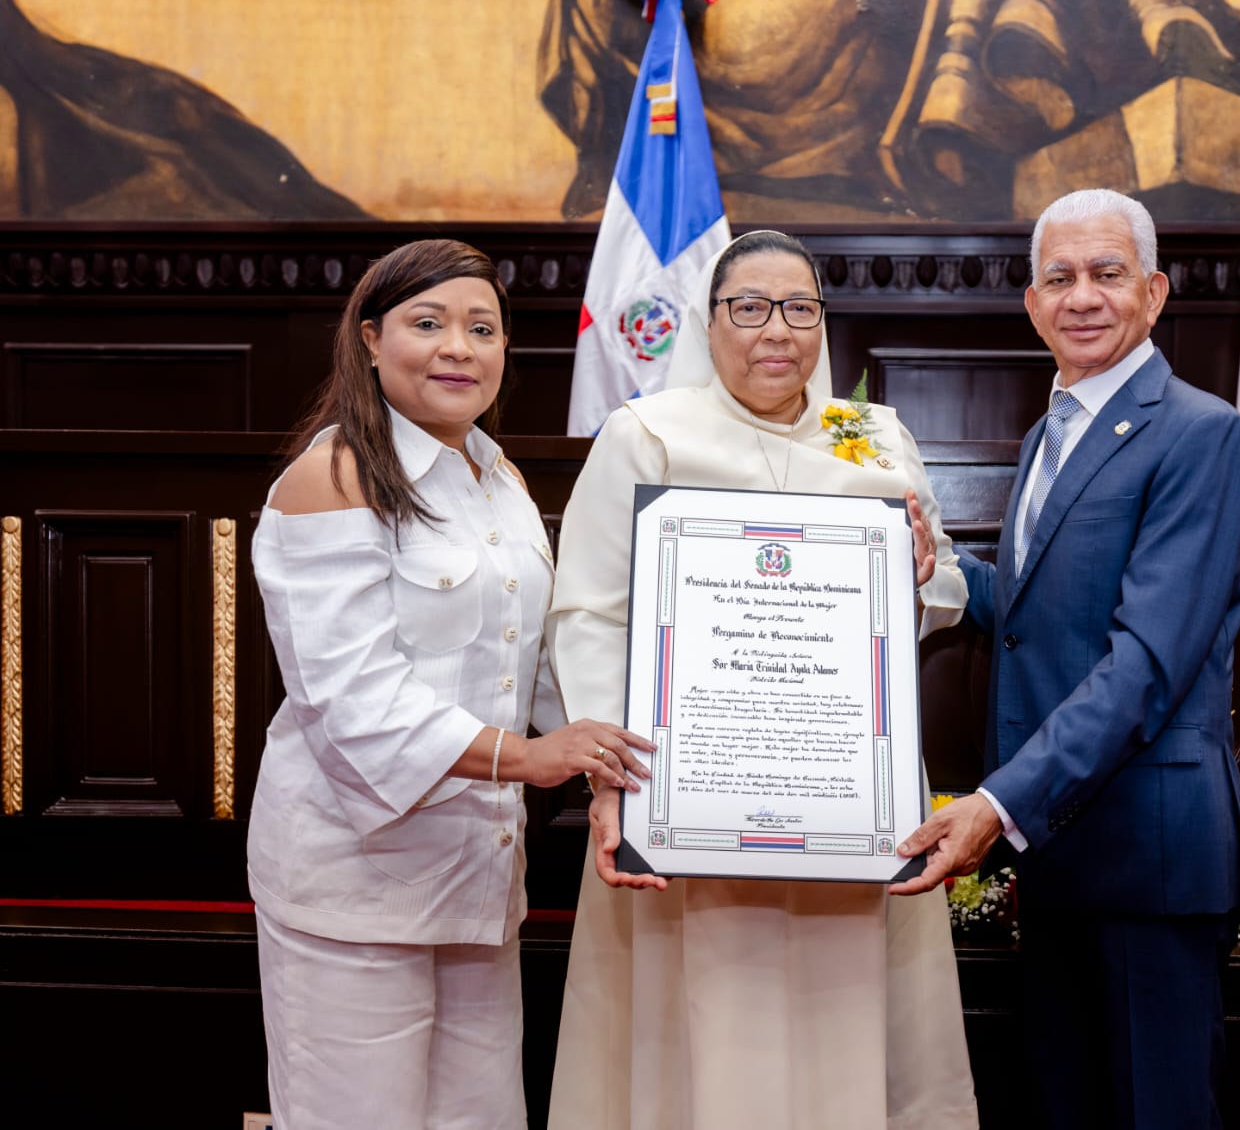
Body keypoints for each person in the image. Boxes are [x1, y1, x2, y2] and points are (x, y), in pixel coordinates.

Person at [546, 230, 979, 1130]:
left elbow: (942, 596)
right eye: (748, 307)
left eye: (800, 308)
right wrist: (611, 778)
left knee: (850, 1030)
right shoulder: (649, 432)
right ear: (709, 324)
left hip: (843, 794)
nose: (774, 329)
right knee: (704, 1032)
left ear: (822, 323)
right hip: (687, 796)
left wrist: (924, 569)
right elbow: (589, 613)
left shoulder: (869, 435)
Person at [247, 238, 653, 1130]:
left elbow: (535, 659)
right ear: (368, 339)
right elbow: (354, 700)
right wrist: (532, 757)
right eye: (427, 324)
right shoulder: (333, 476)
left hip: (476, 877)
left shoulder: (495, 475)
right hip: (355, 883)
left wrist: (627, 766)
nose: (458, 348)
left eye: (482, 327)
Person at [891, 189, 1240, 1128]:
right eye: (1059, 277)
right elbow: (1035, 612)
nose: (1082, 296)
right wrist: (944, 568)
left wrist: (999, 802)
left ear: (1155, 292)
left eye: (1107, 274)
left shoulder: (1200, 431)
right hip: (1055, 852)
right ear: (1031, 302)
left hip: (1147, 855)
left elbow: (1145, 660)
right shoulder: (1049, 429)